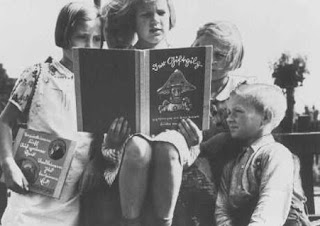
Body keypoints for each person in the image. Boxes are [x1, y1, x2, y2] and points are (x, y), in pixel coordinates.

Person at [0, 2, 129, 226]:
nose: (89, 45)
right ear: (65, 35)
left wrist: (100, 159)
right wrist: (8, 163)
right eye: (82, 37)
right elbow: (5, 121)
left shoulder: (102, 85)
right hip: (30, 196)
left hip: (71, 203)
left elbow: (100, 139)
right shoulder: (36, 75)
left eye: (97, 39)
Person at [100, 1, 202, 226]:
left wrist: (195, 137)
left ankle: (165, 222)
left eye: (161, 12)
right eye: (145, 15)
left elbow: (195, 114)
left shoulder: (186, 59)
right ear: (133, 22)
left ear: (170, 17)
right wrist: (112, 136)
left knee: (167, 147)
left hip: (173, 138)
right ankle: (131, 222)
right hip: (131, 139)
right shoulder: (119, 59)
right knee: (137, 148)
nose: (155, 19)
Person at [215, 83, 311, 226]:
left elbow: (271, 208)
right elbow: (222, 210)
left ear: (265, 117)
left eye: (238, 111)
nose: (229, 119)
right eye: (228, 113)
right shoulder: (232, 163)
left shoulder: (277, 155)